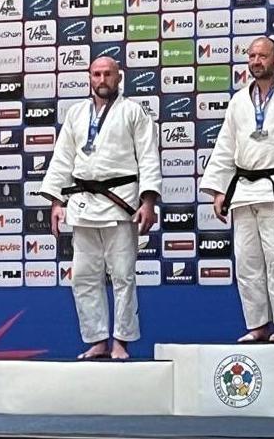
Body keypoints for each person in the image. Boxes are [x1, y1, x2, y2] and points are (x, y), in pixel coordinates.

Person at [199, 36, 274, 343]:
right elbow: (225, 146)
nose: (256, 61)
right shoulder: (239, 100)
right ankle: (257, 326)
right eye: (252, 56)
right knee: (247, 263)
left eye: (263, 56)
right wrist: (219, 191)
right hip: (243, 190)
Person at [40, 57, 161, 360]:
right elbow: (63, 158)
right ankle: (96, 340)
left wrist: (148, 201)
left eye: (108, 74)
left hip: (121, 202)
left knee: (122, 276)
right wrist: (57, 201)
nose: (102, 79)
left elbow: (148, 157)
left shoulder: (134, 112)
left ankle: (121, 340)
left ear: (119, 77)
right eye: (97, 74)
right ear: (89, 78)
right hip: (83, 203)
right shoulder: (76, 114)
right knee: (83, 276)